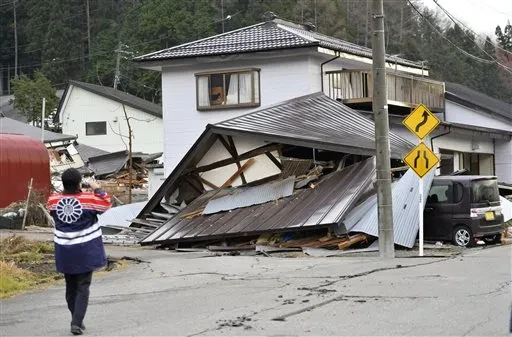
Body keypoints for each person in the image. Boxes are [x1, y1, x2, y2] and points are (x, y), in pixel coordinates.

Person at [48, 168, 111, 335]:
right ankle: (76, 322)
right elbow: (107, 203)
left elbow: (53, 211)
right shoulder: (89, 199)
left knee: (70, 286)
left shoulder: (53, 200)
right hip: (85, 249)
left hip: (64, 250)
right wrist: (96, 187)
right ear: (78, 183)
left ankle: (77, 318)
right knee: (83, 286)